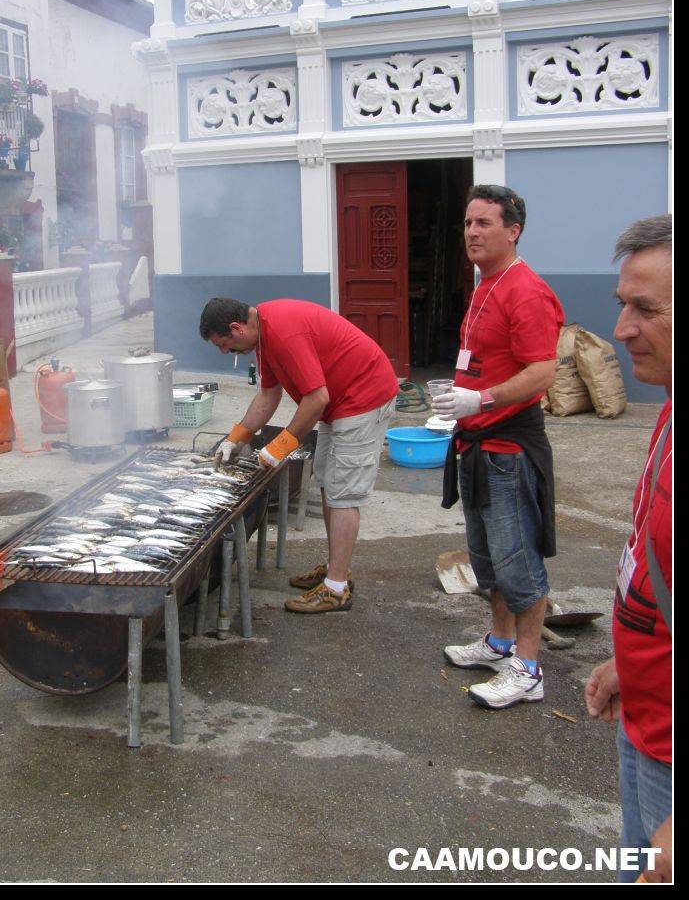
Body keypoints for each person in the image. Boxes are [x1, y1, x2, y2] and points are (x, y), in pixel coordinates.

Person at [431, 184, 564, 709]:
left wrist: (481, 399)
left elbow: (542, 371)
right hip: (476, 442)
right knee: (487, 558)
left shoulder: (525, 290)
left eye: (484, 223)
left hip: (509, 447)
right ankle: (498, 642)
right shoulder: (485, 284)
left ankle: (527, 670)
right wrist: (463, 403)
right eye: (468, 223)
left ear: (513, 231)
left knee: (518, 561)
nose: (472, 232)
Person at [199, 297, 398, 613]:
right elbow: (268, 395)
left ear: (236, 328)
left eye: (224, 344)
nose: (225, 352)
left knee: (343, 493)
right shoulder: (263, 334)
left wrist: (280, 447)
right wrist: (235, 439)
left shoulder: (283, 332)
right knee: (329, 484)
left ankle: (335, 589)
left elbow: (316, 398)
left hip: (363, 398)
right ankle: (337, 569)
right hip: (341, 403)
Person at [584, 215, 672, 884]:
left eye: (645, 310)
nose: (620, 330)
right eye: (622, 305)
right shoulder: (669, 405)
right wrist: (630, 658)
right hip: (647, 716)